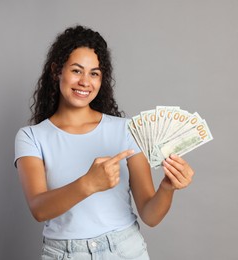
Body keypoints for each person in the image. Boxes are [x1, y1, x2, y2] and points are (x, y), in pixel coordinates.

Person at [14, 25, 194, 260]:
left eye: (94, 73)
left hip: (124, 249)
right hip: (65, 254)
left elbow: (150, 216)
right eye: (77, 71)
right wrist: (89, 183)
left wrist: (167, 187)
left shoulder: (127, 130)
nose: (85, 82)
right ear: (56, 71)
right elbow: (39, 209)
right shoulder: (31, 137)